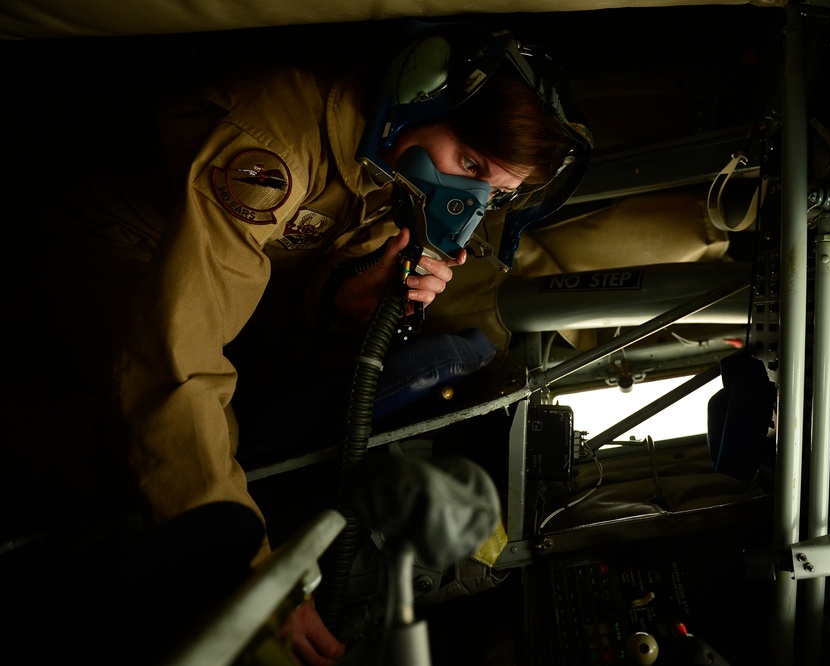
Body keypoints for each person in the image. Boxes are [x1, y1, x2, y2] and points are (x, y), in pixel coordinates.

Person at [1, 21, 590, 666]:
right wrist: (239, 565)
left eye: (496, 191)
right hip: (107, 243)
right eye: (470, 165)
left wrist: (345, 301)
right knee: (128, 443)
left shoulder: (390, 168)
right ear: (421, 93)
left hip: (207, 277)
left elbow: (315, 267)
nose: (471, 198)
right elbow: (176, 355)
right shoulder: (271, 149)